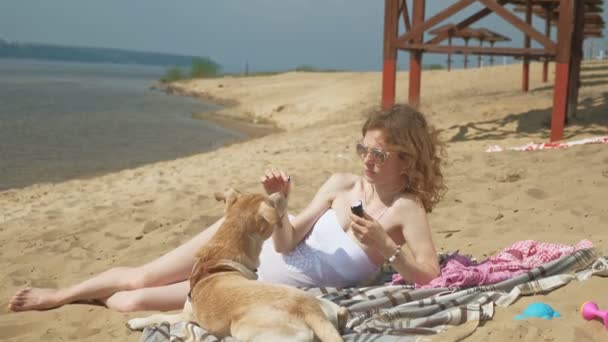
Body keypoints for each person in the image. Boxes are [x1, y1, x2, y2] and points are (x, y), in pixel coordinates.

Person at [9, 104, 446, 313]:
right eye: (363, 149)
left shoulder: (406, 210)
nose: (366, 161)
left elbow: (429, 274)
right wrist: (282, 202)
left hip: (250, 281)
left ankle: (90, 300)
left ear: (406, 159)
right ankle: (59, 295)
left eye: (378, 155)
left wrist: (387, 248)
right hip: (251, 241)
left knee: (131, 301)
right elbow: (289, 238)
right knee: (144, 275)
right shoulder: (342, 184)